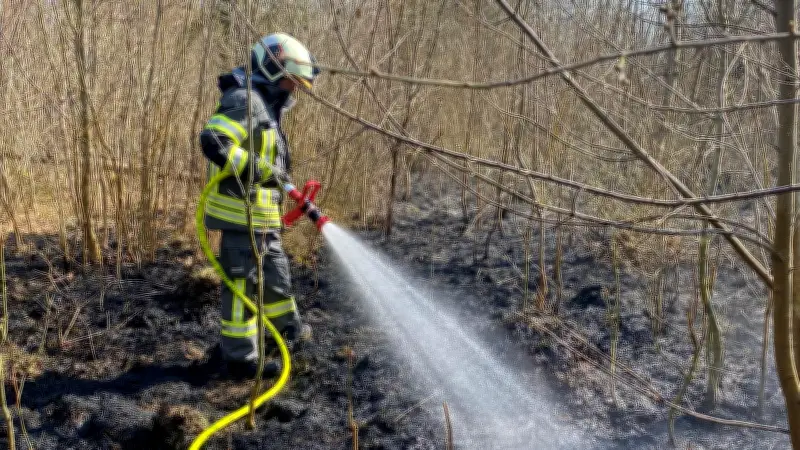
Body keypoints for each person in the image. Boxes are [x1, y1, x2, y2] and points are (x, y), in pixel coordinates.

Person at [198, 32, 319, 378]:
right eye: (289, 81)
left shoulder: (266, 107)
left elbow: (266, 160)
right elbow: (214, 140)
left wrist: (277, 179)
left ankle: (290, 333)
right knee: (240, 291)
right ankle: (240, 360)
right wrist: (257, 169)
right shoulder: (244, 100)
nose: (292, 89)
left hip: (264, 221)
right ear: (270, 68)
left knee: (277, 280)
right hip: (240, 220)